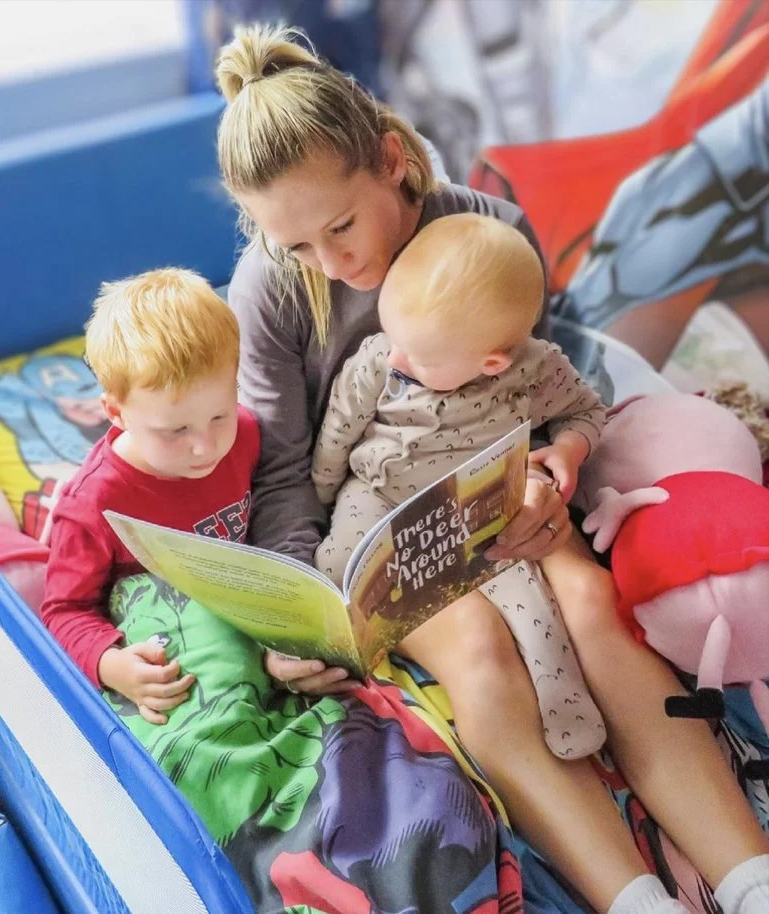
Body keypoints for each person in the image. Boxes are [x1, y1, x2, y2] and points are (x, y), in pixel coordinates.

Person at [217, 23, 769, 914]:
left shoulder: (490, 229)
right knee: (478, 649)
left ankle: (751, 877)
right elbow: (282, 473)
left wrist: (558, 475)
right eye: (298, 245)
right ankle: (636, 900)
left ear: (393, 160)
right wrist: (299, 609)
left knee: (592, 606)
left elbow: (539, 390)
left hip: (498, 489)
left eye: (342, 226)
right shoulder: (273, 291)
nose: (333, 260)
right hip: (383, 524)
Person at [312, 212, 607, 761]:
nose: (395, 357)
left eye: (416, 357)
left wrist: (569, 449)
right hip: (379, 491)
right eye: (392, 335)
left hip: (477, 503)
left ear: (491, 362)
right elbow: (337, 431)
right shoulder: (382, 355)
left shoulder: (535, 371)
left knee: (530, 602)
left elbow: (587, 412)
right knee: (337, 567)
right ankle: (332, 672)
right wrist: (323, 491)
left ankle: (563, 697)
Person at [41, 268, 259, 724]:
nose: (205, 446)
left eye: (220, 415)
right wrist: (110, 665)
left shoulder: (248, 432)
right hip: (169, 641)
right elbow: (64, 611)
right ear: (115, 413)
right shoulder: (94, 504)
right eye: (175, 430)